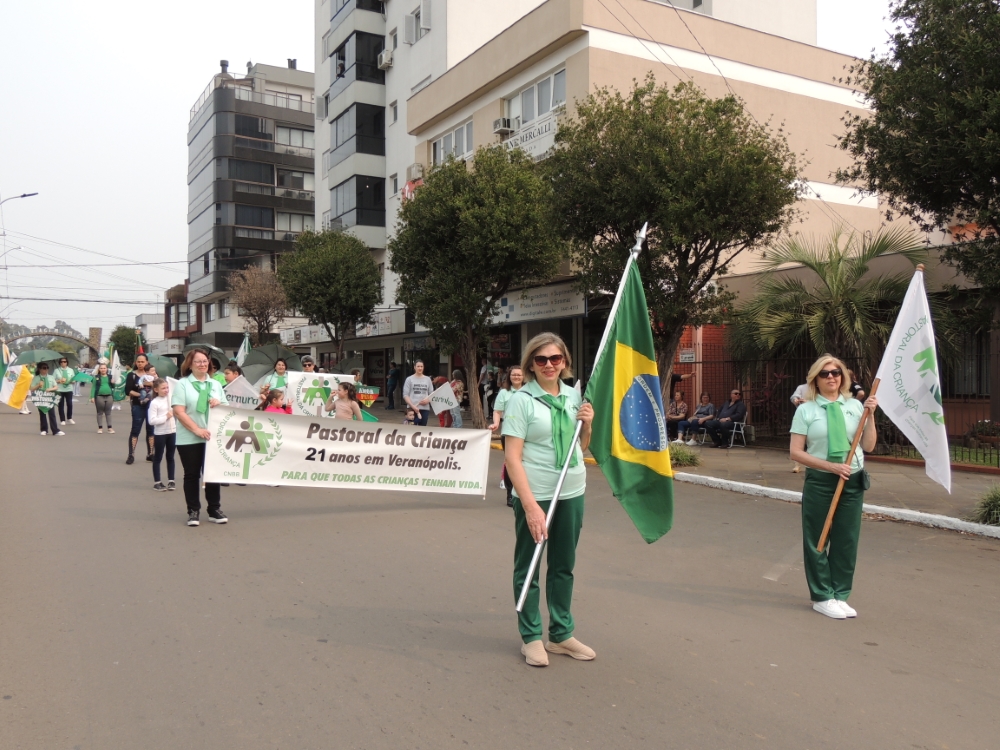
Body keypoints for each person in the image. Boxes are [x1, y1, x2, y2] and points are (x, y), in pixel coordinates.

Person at [503, 333, 596, 667]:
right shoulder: (521, 400)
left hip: (572, 491)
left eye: (555, 359)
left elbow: (579, 447)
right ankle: (531, 637)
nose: (549, 365)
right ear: (531, 364)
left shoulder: (574, 396)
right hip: (536, 493)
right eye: (541, 359)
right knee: (529, 566)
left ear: (564, 362)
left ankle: (560, 634)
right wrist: (530, 507)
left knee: (562, 565)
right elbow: (512, 458)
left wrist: (587, 425)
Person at [790, 355, 879, 620]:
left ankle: (840, 594)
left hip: (852, 479)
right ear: (815, 379)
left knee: (846, 540)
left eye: (836, 372)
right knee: (818, 539)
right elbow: (796, 452)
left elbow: (869, 445)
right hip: (822, 480)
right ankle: (822, 596)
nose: (831, 377)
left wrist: (871, 415)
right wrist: (830, 467)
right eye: (825, 373)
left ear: (843, 377)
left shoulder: (854, 406)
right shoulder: (806, 410)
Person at [171, 348, 229, 527]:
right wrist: (196, 429)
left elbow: (226, 410)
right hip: (189, 437)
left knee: (212, 475)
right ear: (190, 364)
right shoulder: (183, 384)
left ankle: (214, 509)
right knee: (192, 475)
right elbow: (178, 411)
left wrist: (219, 403)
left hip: (212, 437)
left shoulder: (216, 385)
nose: (202, 364)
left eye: (205, 361)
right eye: (198, 361)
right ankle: (193, 510)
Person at [492, 365, 524, 507]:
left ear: (524, 376)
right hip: (510, 432)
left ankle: (525, 493)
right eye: (513, 375)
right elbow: (497, 411)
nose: (516, 377)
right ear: (509, 377)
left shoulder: (529, 391)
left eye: (519, 375)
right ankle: (510, 494)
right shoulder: (504, 393)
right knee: (511, 463)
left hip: (527, 432)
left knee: (527, 462)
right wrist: (496, 423)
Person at [146, 378, 176, 492]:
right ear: (156, 390)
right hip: (160, 433)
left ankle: (171, 480)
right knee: (158, 457)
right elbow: (151, 421)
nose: (166, 390)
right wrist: (166, 417)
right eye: (163, 388)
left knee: (171, 457)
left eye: (167, 387)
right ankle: (157, 482)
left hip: (172, 432)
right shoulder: (154, 403)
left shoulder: (171, 399)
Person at [125, 355, 154, 465]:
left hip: (151, 406)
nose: (140, 363)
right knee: (135, 430)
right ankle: (131, 454)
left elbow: (159, 387)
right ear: (136, 363)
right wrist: (141, 395)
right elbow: (128, 391)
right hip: (138, 405)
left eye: (142, 361)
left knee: (151, 430)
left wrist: (151, 385)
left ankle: (150, 454)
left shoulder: (152, 374)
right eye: (139, 362)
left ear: (147, 362)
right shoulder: (131, 375)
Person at [31, 363, 63, 436]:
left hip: (49, 398)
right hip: (40, 398)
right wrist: (38, 385)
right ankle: (44, 429)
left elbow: (56, 387)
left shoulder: (51, 377)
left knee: (52, 414)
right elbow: (32, 388)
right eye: (44, 368)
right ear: (39, 369)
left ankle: (55, 430)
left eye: (47, 368)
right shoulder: (36, 378)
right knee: (42, 413)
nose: (46, 370)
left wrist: (50, 389)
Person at [403, 360, 433, 426]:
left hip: (424, 408)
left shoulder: (428, 379)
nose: (420, 368)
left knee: (422, 427)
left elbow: (432, 394)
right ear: (414, 367)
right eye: (418, 366)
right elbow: (405, 395)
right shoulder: (409, 379)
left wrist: (428, 400)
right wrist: (412, 406)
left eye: (421, 366)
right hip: (412, 408)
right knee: (411, 428)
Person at [90, 363, 115, 434]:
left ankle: (110, 427)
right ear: (99, 369)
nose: (103, 369)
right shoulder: (96, 377)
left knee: (108, 412)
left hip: (109, 396)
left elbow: (113, 386)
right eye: (101, 368)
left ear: (107, 369)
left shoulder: (110, 377)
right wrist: (92, 397)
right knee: (99, 412)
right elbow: (93, 387)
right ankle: (100, 428)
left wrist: (113, 383)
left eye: (104, 368)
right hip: (99, 396)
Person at [790, 383, 809, 472]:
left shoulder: (820, 386)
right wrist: (796, 400)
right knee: (798, 442)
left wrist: (808, 402)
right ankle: (797, 465)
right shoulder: (802, 387)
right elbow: (794, 396)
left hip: (814, 416)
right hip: (802, 416)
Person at [54, 357, 76, 426]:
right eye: (61, 362)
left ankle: (69, 418)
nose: (63, 363)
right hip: (59, 389)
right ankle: (62, 419)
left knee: (69, 404)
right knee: (61, 405)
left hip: (69, 389)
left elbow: (74, 379)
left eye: (65, 362)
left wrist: (72, 381)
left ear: (67, 362)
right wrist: (59, 381)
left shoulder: (71, 370)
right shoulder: (56, 370)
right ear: (60, 363)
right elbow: (52, 380)